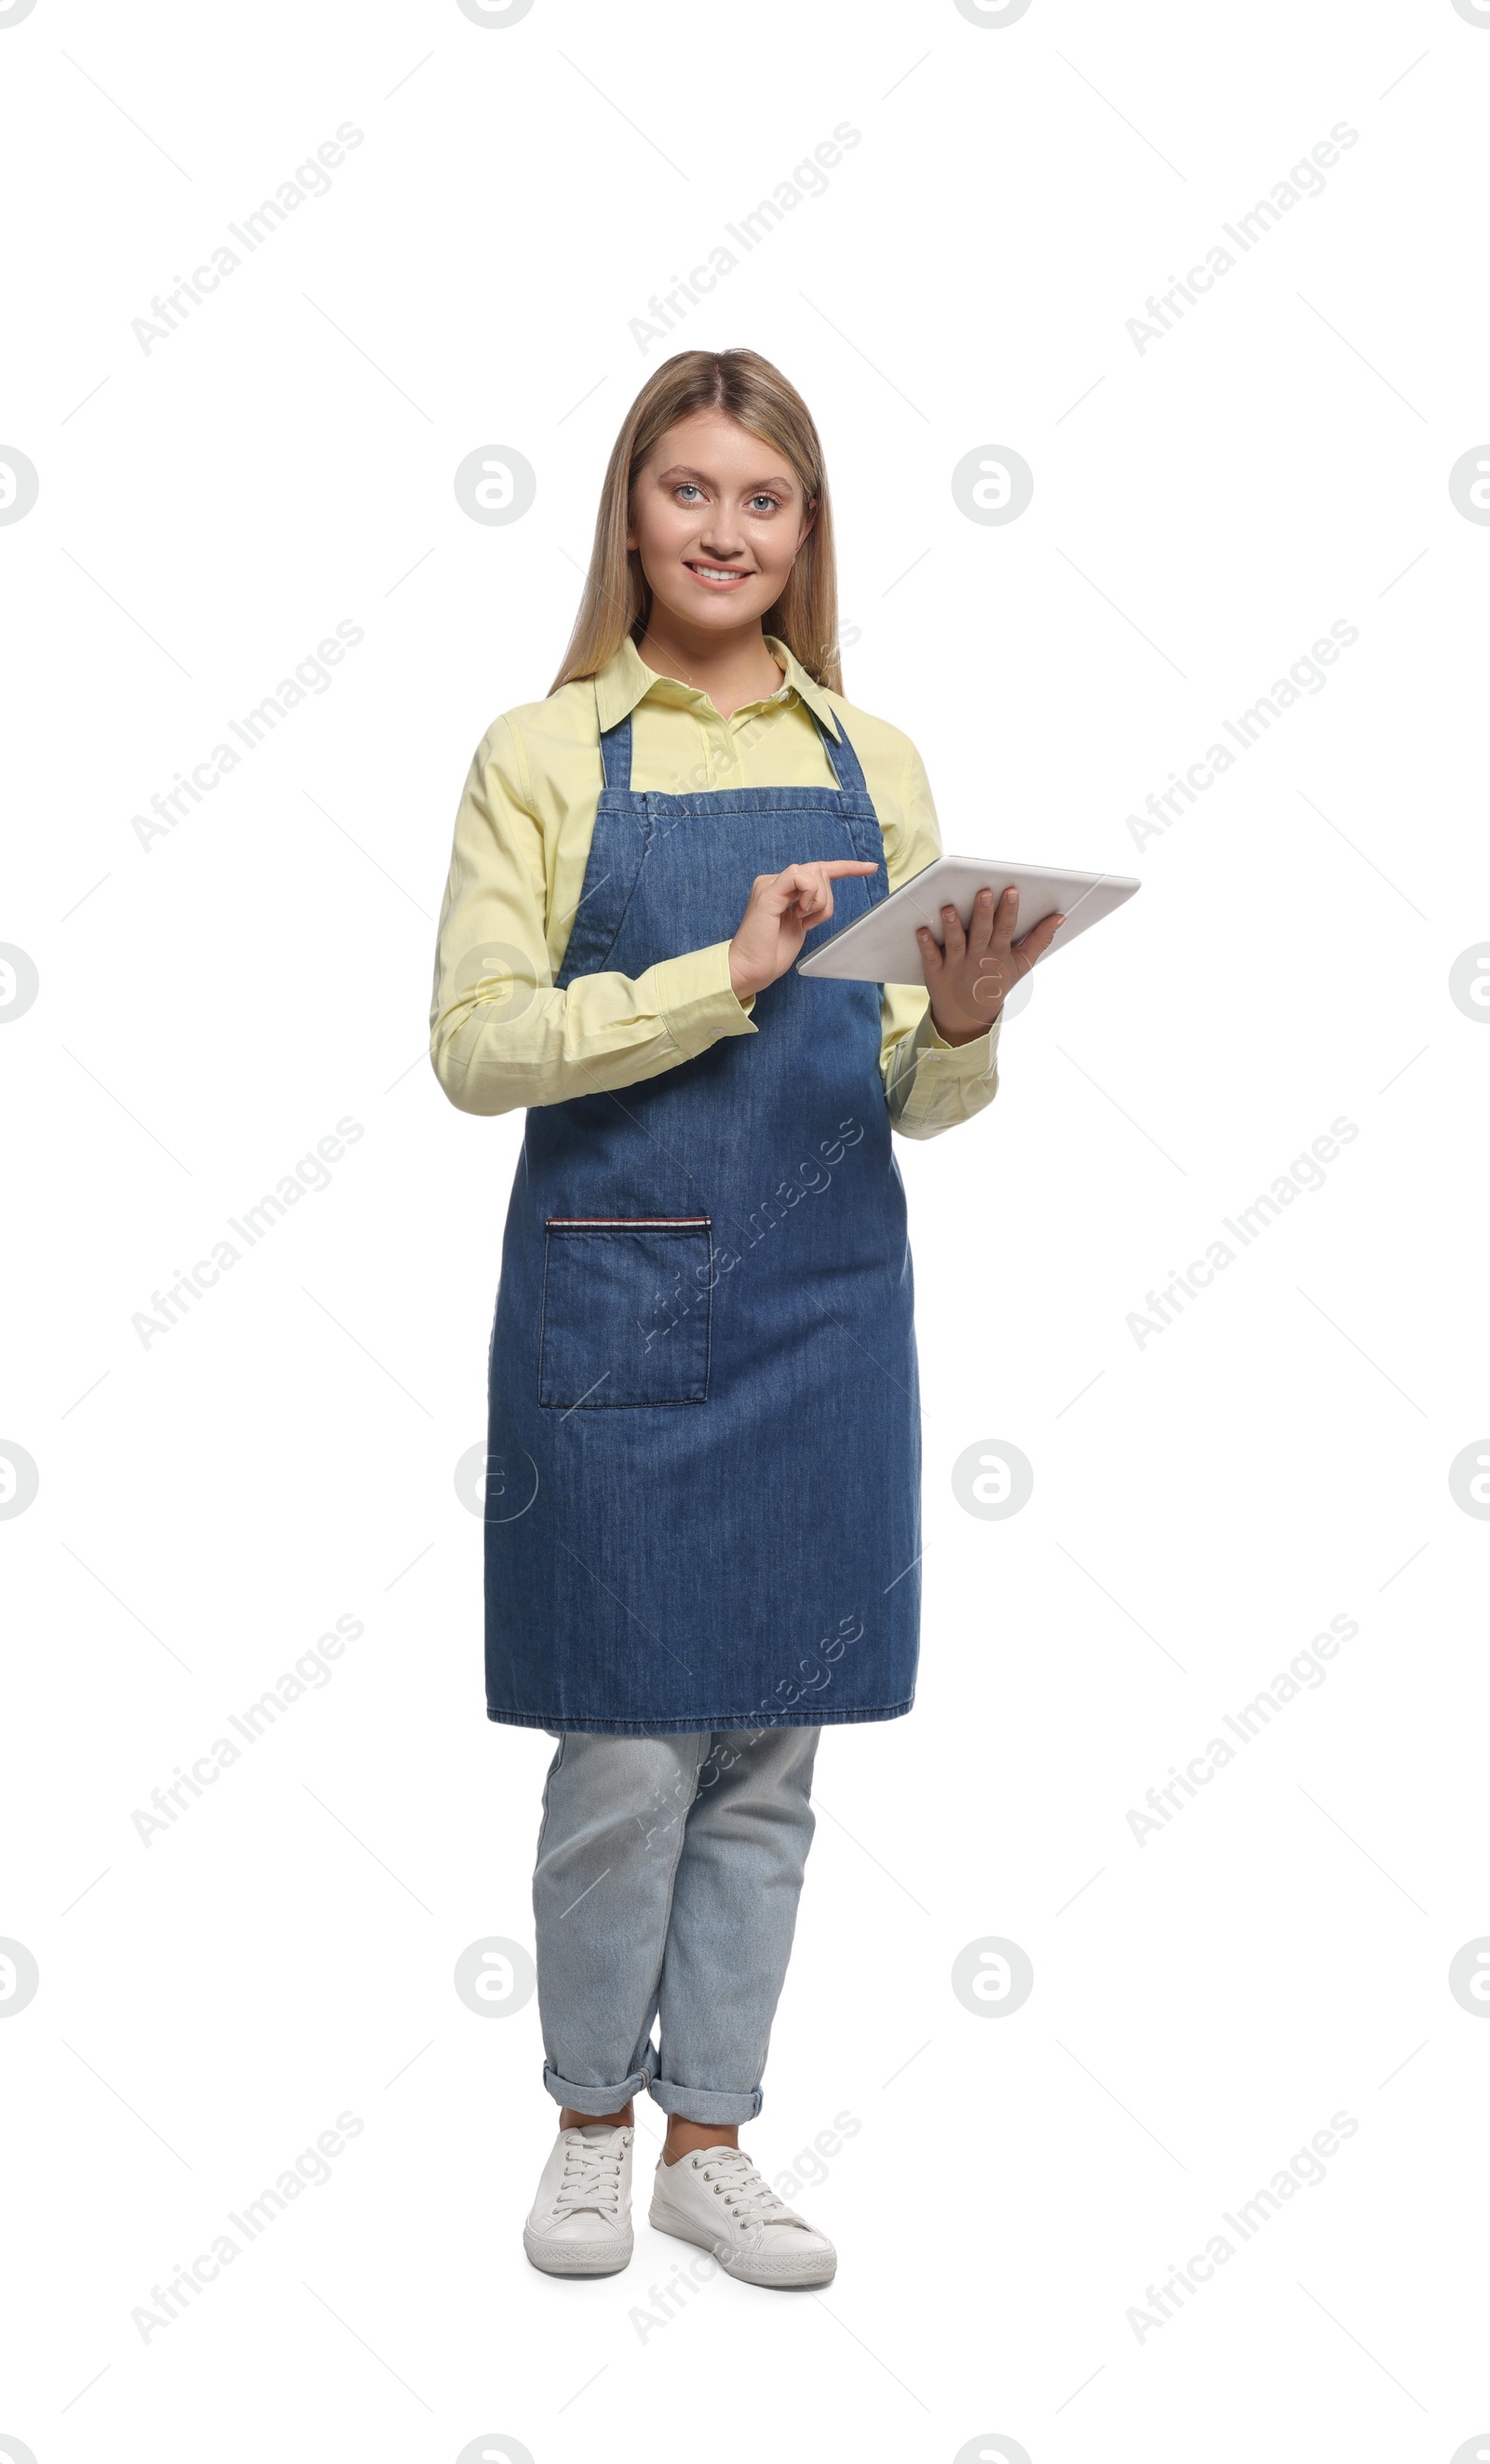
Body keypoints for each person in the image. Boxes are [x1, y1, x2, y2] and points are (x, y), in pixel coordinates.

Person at [428, 347, 1062, 2289]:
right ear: (629, 513)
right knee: (623, 1750)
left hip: (818, 1311)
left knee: (769, 1757)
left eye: (761, 500)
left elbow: (905, 1091)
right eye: (688, 491)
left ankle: (712, 2132)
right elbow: (474, 1051)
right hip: (614, 1309)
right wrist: (719, 969)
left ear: (804, 533)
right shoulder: (541, 754)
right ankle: (585, 2127)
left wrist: (959, 1020)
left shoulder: (876, 762)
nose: (724, 531)